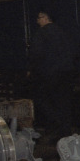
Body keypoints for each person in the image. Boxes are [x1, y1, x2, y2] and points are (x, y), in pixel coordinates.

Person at [28, 10, 75, 140]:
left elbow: (36, 55)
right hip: (66, 73)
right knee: (64, 103)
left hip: (49, 73)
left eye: (39, 18)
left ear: (45, 18)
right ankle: (65, 132)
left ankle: (55, 124)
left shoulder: (41, 34)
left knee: (43, 100)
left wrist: (32, 70)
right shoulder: (62, 32)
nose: (37, 21)